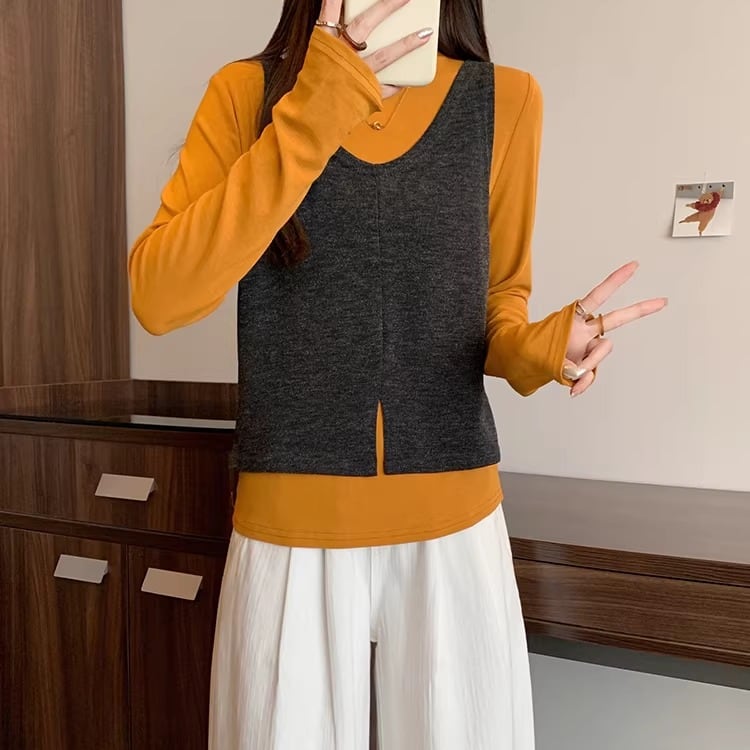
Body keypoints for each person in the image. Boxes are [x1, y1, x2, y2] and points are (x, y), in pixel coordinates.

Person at [128, 0, 667, 747]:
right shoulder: (247, 95)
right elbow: (159, 298)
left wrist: (545, 349)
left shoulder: (505, 100)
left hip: (454, 524)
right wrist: (314, 109)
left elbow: (496, 310)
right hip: (292, 522)